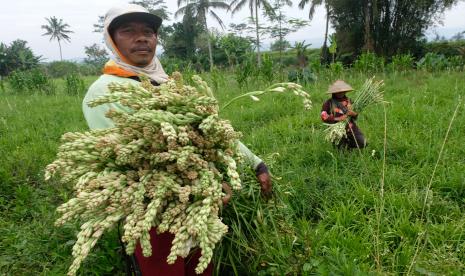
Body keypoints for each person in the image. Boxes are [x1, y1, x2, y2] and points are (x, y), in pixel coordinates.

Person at [81, 4, 272, 276]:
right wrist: (204, 190)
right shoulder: (105, 90)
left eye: (148, 31)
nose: (142, 38)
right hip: (154, 212)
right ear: (112, 39)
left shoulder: (170, 84)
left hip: (199, 209)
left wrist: (256, 164)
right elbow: (127, 159)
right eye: (128, 31)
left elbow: (214, 130)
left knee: (200, 268)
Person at [321, 80, 366, 149]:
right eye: (338, 91)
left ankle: (349, 147)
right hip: (336, 130)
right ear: (334, 92)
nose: (340, 93)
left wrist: (354, 114)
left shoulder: (350, 101)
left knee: (362, 142)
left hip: (350, 127)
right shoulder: (328, 103)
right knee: (340, 150)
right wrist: (338, 119)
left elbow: (355, 115)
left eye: (342, 91)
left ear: (345, 91)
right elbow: (323, 117)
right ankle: (344, 149)